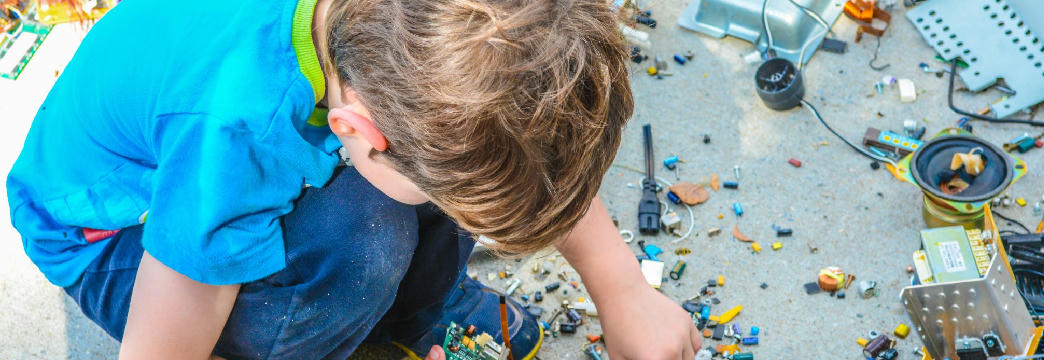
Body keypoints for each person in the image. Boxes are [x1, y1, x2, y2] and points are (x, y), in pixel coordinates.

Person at [7, 0, 701, 358]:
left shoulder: (415, 34)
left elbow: (521, 126)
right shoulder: (238, 128)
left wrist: (621, 290)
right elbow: (172, 321)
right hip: (118, 236)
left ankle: (418, 306)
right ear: (357, 134)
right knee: (364, 243)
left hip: (222, 151)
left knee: (426, 186)